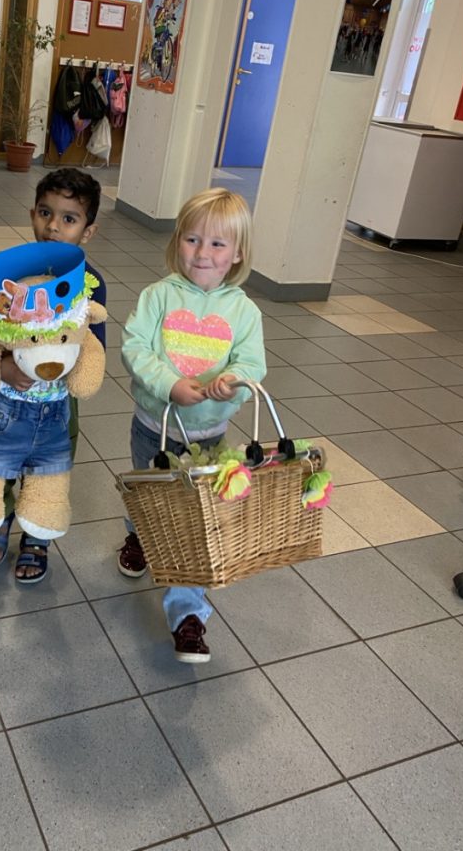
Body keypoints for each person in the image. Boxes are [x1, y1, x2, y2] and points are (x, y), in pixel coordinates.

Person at [117, 187, 266, 663]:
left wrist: (231, 382)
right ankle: (139, 534)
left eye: (218, 244)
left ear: (237, 253)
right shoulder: (158, 296)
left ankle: (188, 615)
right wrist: (170, 384)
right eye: (192, 239)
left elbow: (252, 365)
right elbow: (135, 347)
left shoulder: (244, 311)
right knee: (148, 497)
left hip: (209, 437)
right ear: (177, 240)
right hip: (154, 428)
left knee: (192, 524)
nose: (202, 253)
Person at [0, 168, 106, 583]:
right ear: (32, 214)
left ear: (87, 231)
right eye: (45, 213)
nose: (53, 226)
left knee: (49, 469)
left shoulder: (91, 284)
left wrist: (69, 373)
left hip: (59, 402)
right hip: (6, 397)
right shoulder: (9, 275)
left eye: (69, 218)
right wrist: (2, 367)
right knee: (0, 460)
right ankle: (1, 515)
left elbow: (92, 343)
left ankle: (36, 536)